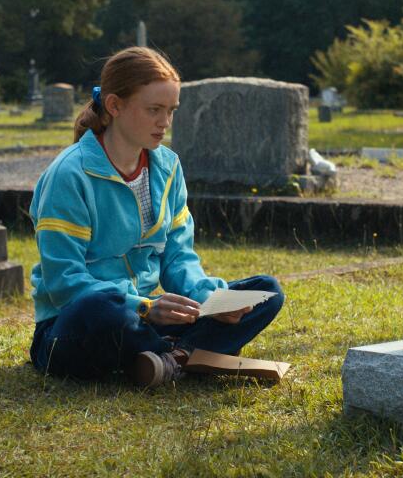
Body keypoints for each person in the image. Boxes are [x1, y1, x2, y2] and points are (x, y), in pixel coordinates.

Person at [28, 47, 284, 387]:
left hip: (147, 321)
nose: (164, 122)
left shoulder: (168, 167)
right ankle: (188, 355)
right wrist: (145, 306)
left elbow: (178, 256)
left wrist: (209, 299)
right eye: (154, 110)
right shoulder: (70, 174)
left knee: (266, 291)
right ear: (115, 105)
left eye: (171, 111)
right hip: (76, 325)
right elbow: (64, 283)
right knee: (103, 310)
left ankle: (167, 359)